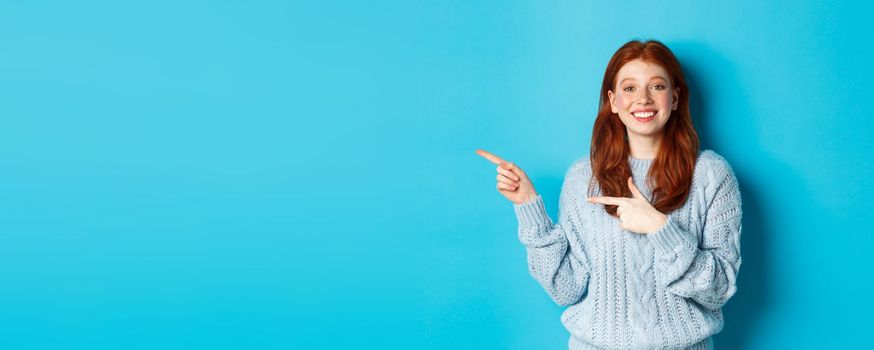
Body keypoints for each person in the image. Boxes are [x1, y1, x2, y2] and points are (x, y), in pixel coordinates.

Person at [476, 39, 742, 350]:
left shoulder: (711, 175)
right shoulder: (583, 178)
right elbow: (566, 289)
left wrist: (660, 228)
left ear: (674, 97)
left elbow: (719, 290)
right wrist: (528, 207)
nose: (642, 99)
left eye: (656, 86)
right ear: (613, 101)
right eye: (629, 88)